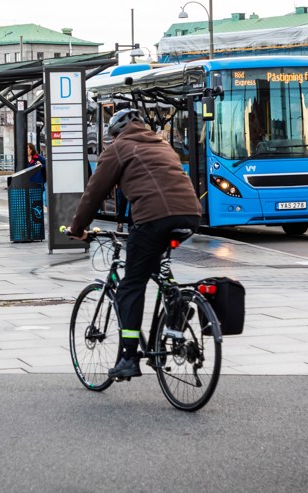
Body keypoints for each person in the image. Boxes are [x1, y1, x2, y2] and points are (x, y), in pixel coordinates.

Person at [66, 108, 202, 379]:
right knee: (154, 264)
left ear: (115, 132)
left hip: (154, 218)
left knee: (131, 284)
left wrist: (78, 228)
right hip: (191, 214)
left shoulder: (119, 147)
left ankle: (129, 358)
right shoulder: (162, 145)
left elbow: (95, 193)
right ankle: (176, 306)